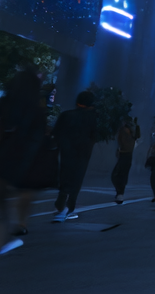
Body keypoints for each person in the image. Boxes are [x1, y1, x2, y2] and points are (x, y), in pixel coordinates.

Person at [0, 68, 46, 289]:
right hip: (25, 165)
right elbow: (37, 141)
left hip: (1, 163)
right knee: (25, 196)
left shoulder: (5, 103)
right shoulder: (37, 111)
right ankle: (21, 224)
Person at [51, 91, 97, 223]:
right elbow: (94, 136)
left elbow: (56, 132)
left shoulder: (66, 115)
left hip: (66, 150)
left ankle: (61, 198)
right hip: (83, 152)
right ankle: (69, 206)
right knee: (77, 179)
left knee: (64, 174)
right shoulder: (91, 117)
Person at [112, 118, 138, 204]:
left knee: (118, 174)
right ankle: (120, 192)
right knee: (122, 174)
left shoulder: (124, 131)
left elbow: (123, 143)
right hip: (126, 154)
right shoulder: (130, 132)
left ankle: (120, 193)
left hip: (124, 154)